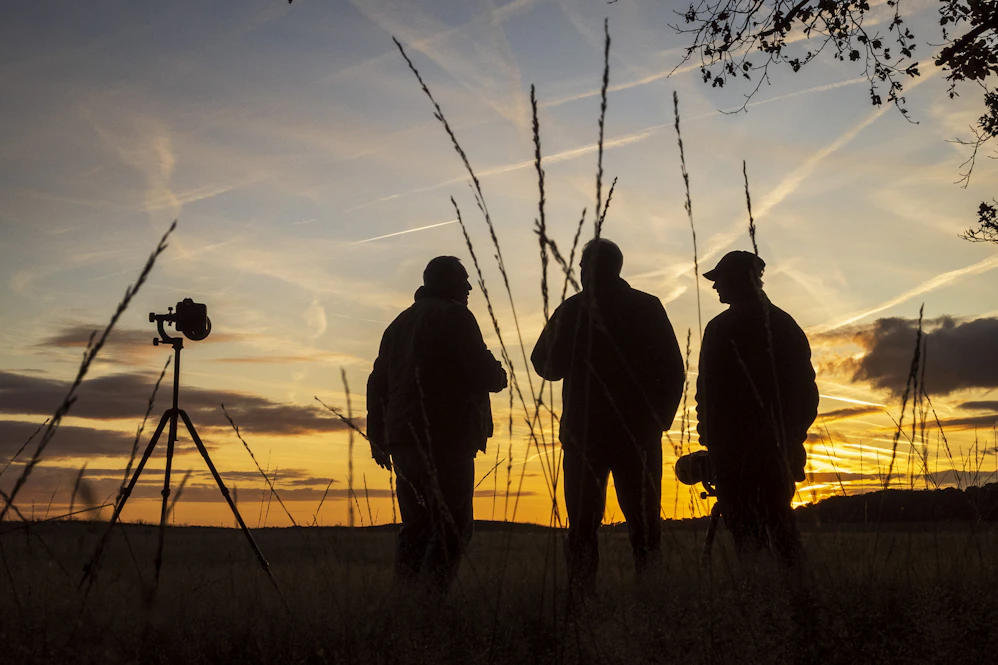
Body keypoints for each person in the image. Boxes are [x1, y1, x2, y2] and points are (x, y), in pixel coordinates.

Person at [531, 238, 685, 587]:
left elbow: (544, 365)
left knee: (583, 524)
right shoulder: (647, 307)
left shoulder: (572, 310)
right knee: (644, 523)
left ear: (587, 269)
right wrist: (658, 421)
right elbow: (674, 369)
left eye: (583, 267)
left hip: (586, 435)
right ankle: (651, 593)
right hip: (639, 434)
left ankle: (582, 597)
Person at [367, 256, 507, 593]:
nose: (469, 287)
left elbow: (377, 382)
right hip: (446, 437)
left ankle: (407, 600)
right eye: (463, 280)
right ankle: (431, 602)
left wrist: (378, 435)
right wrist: (497, 372)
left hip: (402, 440)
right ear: (447, 284)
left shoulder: (399, 323)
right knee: (452, 525)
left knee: (415, 526)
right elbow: (488, 375)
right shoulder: (455, 315)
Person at [695, 250, 818, 566]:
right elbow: (807, 393)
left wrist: (710, 439)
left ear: (737, 280)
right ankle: (797, 596)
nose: (715, 287)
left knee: (747, 538)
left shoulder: (721, 328)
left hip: (734, 454)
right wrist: (791, 437)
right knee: (782, 528)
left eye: (719, 279)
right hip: (777, 448)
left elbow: (707, 394)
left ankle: (759, 597)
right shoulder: (784, 324)